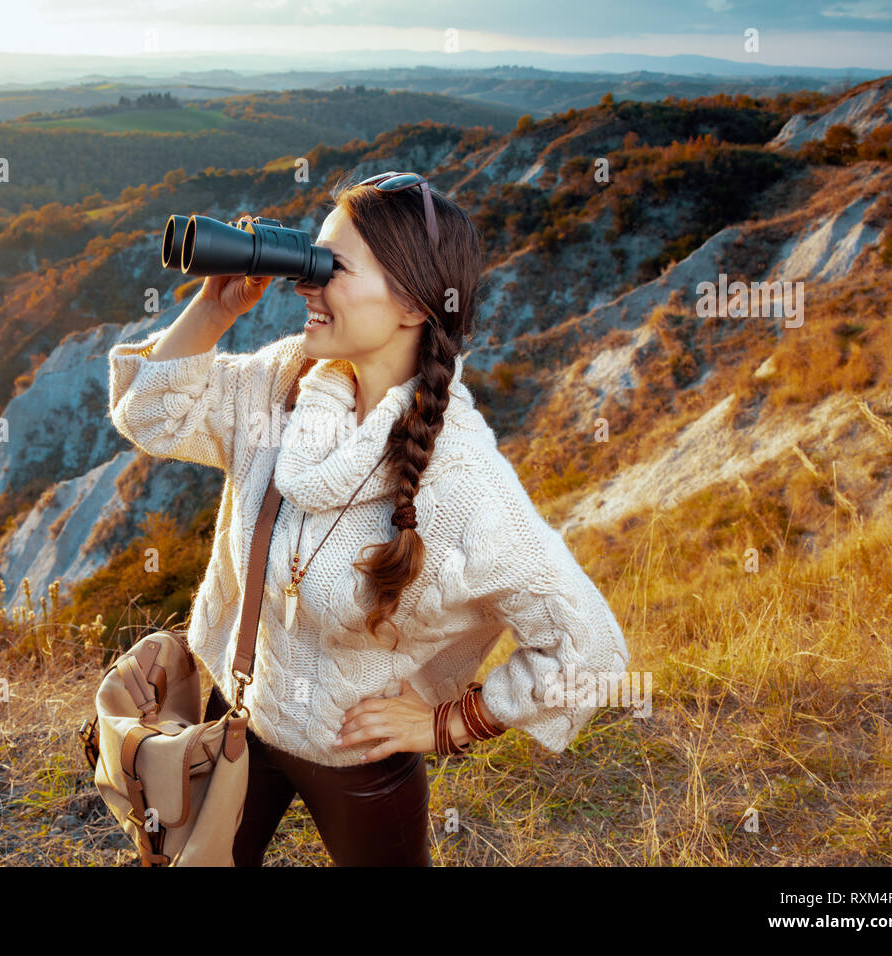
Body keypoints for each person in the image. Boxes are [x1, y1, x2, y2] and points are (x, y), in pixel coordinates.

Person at [106, 170, 630, 866]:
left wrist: (451, 722)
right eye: (307, 259)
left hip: (356, 757)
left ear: (414, 304)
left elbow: (588, 647)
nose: (304, 284)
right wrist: (215, 308)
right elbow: (150, 413)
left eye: (330, 268)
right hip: (246, 719)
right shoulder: (285, 384)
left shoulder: (464, 481)